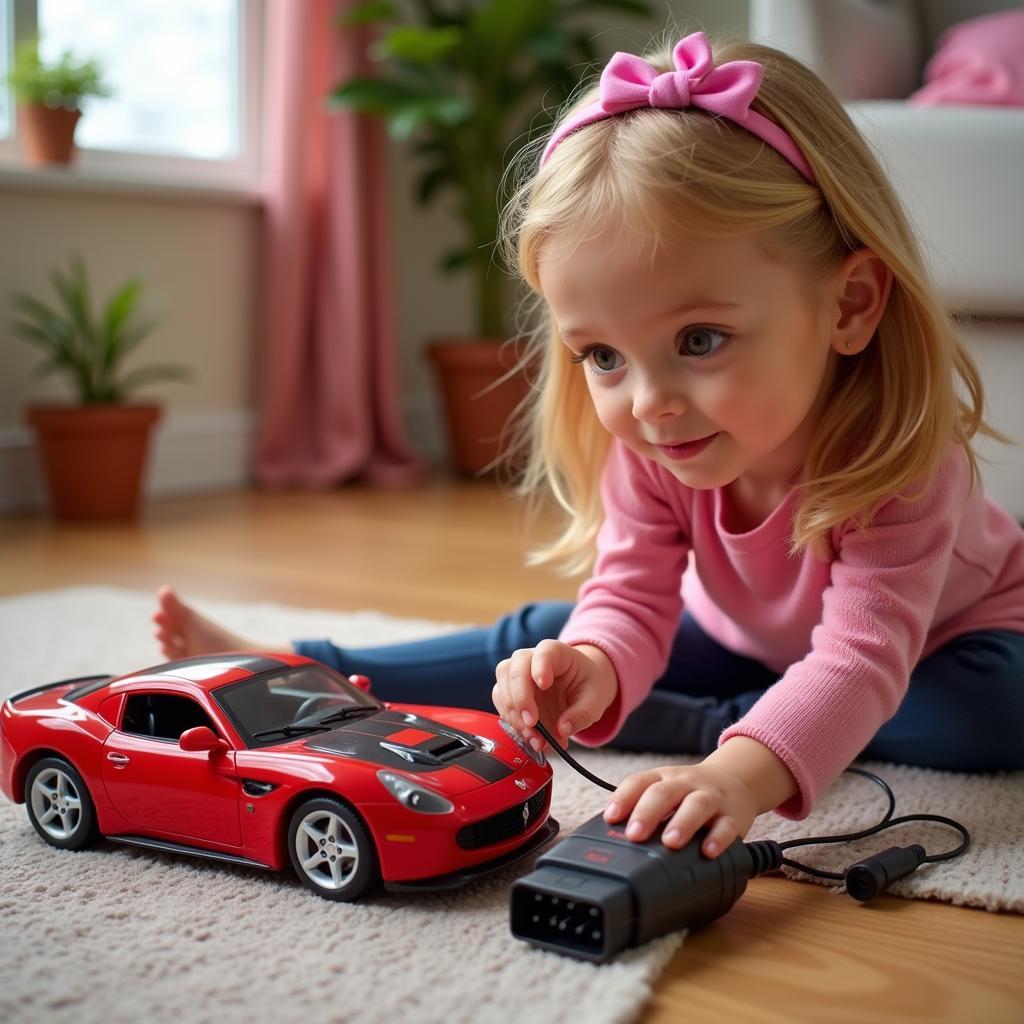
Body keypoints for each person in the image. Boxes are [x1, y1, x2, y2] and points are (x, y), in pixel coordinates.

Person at [154, 31, 1024, 861]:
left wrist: (735, 773)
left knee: (985, 714)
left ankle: (722, 722)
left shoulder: (901, 463)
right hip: (754, 639)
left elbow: (859, 659)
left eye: (699, 340)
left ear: (850, 305)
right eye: (603, 356)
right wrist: (597, 665)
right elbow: (633, 599)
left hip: (956, 641)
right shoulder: (659, 443)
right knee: (545, 637)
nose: (650, 404)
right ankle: (306, 671)